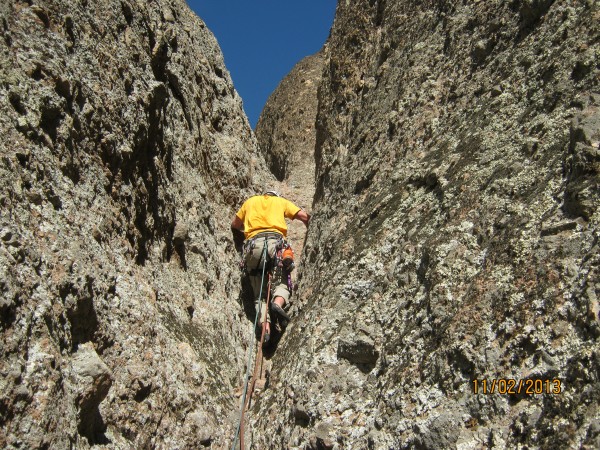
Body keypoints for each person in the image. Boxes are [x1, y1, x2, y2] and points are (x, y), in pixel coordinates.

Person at [231, 190, 310, 344]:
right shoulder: (280, 202)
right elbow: (303, 216)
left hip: (254, 247)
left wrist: (246, 229)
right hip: (276, 245)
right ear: (275, 196)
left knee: (259, 293)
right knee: (281, 282)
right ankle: (277, 304)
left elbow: (235, 224)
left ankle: (265, 330)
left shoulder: (250, 202)